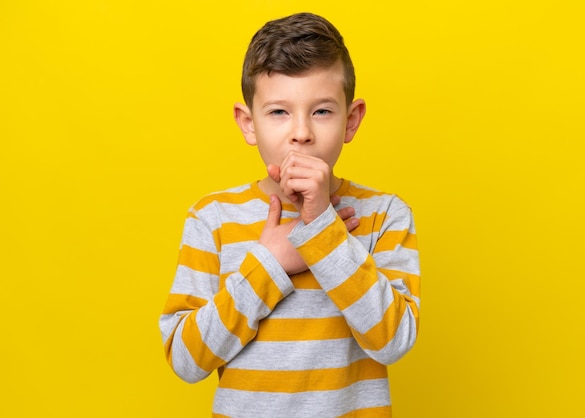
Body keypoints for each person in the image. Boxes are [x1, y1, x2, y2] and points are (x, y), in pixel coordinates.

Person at [159, 12, 421, 417]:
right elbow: (186, 359)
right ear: (249, 124)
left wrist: (323, 232)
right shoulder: (211, 218)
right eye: (279, 112)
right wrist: (270, 264)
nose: (301, 132)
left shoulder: (384, 215)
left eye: (322, 111)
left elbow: (393, 340)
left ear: (351, 120)